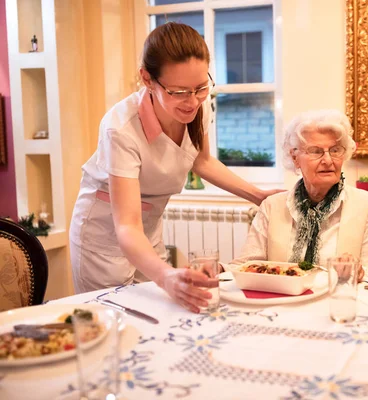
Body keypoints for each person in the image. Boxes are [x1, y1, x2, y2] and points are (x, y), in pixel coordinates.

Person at [70, 22, 279, 313]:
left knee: (159, 312)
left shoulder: (196, 109)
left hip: (147, 229)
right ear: (147, 79)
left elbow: (202, 161)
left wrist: (257, 195)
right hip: (104, 236)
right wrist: (166, 276)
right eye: (179, 91)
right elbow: (127, 226)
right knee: (115, 318)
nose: (192, 102)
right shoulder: (120, 129)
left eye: (201, 88)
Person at [230, 110, 368, 274]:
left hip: (337, 298)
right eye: (315, 151)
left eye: (335, 150)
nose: (327, 160)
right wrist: (220, 269)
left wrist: (361, 272)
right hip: (282, 298)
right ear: (294, 157)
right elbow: (246, 265)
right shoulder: (271, 206)